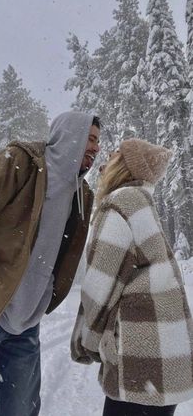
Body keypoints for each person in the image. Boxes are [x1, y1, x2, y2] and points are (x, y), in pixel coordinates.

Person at [0, 111, 100, 416]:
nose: (95, 147)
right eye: (89, 138)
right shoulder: (18, 164)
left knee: (21, 410)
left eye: (98, 141)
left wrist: (45, 298)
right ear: (68, 135)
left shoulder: (81, 194)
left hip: (27, 322)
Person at [71, 138, 193, 416]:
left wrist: (86, 342)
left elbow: (100, 286)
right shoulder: (142, 202)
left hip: (141, 360)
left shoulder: (119, 203)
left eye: (114, 156)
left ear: (125, 167)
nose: (104, 163)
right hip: (167, 358)